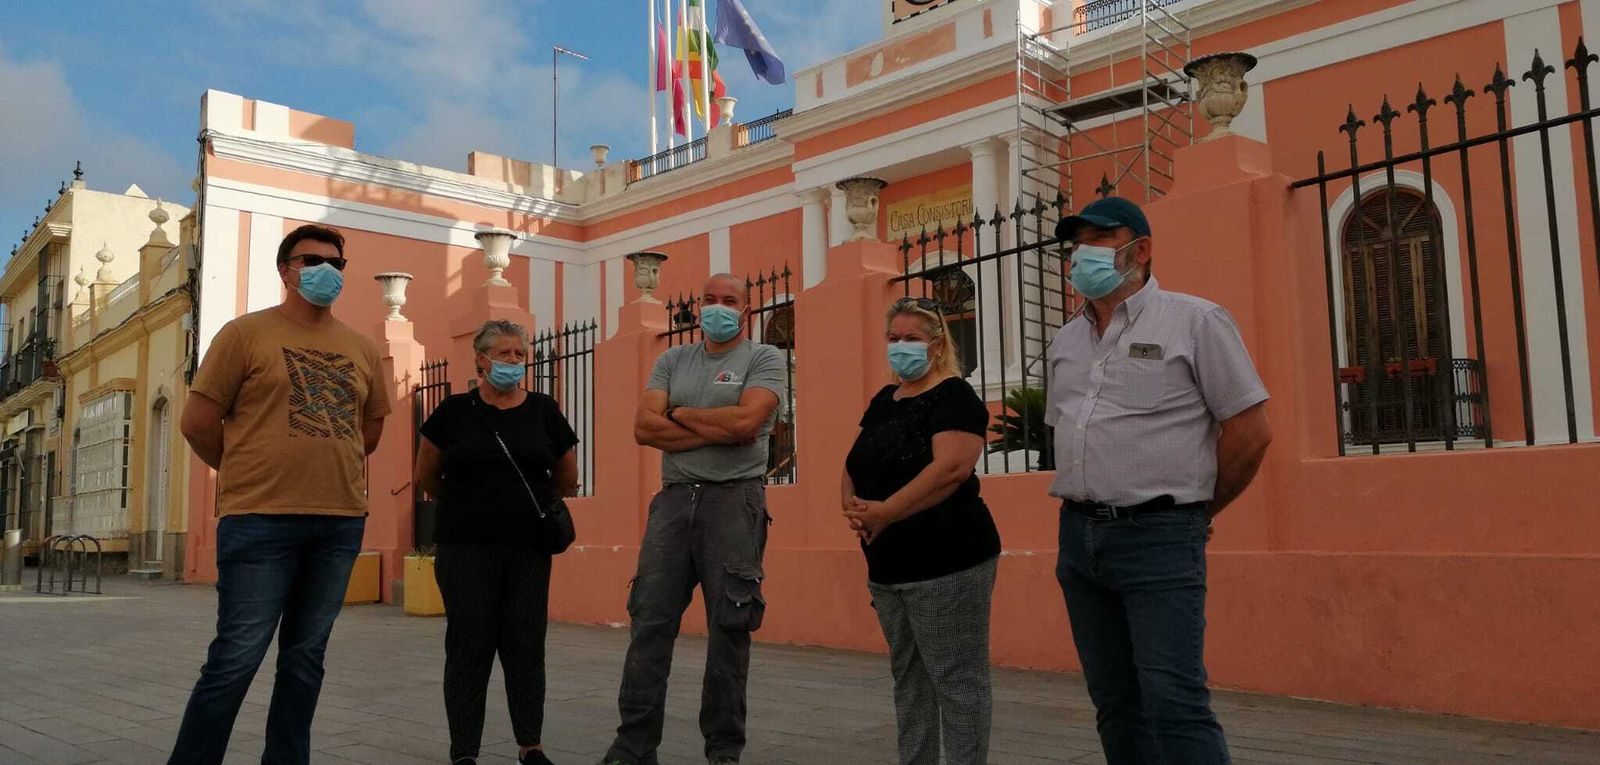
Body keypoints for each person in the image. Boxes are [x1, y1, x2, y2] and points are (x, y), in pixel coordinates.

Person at [1044, 197, 1273, 764]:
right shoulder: (1066, 341)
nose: (1082, 254)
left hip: (1159, 538)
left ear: (1140, 249)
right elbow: (1069, 430)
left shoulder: (1196, 321)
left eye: (1099, 240)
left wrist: (1196, 514)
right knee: (1114, 701)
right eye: (1077, 244)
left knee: (1175, 701)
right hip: (1078, 537)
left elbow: (1250, 432)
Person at [170, 224, 391, 764]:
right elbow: (197, 422)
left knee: (305, 660)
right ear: (285, 270)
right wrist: (246, 469)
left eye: (336, 263)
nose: (325, 270)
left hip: (339, 522)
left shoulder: (361, 348)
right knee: (236, 658)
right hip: (259, 520)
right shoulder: (244, 335)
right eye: (311, 260)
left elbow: (368, 432)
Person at [603, 273, 785, 765]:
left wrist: (679, 414)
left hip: (735, 500)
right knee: (649, 622)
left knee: (730, 627)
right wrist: (720, 427)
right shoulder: (672, 360)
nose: (717, 307)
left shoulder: (764, 358)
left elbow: (748, 423)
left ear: (746, 310)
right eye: (709, 299)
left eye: (729, 300)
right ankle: (633, 747)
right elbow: (644, 428)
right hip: (674, 500)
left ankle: (723, 751)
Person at [841, 297, 1002, 765]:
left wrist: (886, 512)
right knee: (909, 678)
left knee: (957, 679)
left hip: (948, 559)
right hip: (888, 565)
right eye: (893, 337)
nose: (900, 346)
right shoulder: (884, 399)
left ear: (937, 345)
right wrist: (852, 506)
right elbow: (856, 460)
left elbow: (951, 469)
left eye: (911, 338)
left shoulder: (955, 397)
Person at [414, 320, 580, 765]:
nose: (514, 361)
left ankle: (531, 745)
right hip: (464, 548)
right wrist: (469, 506)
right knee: (468, 648)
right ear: (481, 360)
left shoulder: (544, 410)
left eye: (519, 354)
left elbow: (567, 474)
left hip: (528, 549)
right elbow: (426, 475)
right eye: (504, 353)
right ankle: (465, 751)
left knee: (526, 646)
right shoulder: (453, 411)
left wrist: (532, 506)